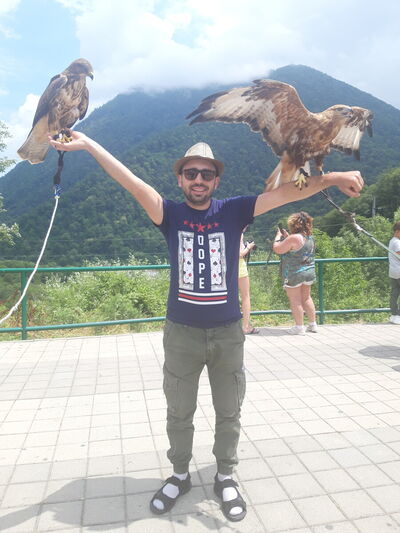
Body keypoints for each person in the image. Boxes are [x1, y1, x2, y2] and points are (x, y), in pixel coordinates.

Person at [49, 131, 363, 522]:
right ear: (180, 179)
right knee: (178, 411)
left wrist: (332, 178)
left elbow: (288, 194)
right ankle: (179, 474)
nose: (198, 179)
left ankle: (225, 475)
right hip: (181, 334)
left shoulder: (235, 211)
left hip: (228, 333)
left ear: (216, 180)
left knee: (229, 409)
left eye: (206, 174)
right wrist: (89, 145)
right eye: (191, 173)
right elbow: (130, 181)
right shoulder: (168, 213)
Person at [273, 211, 318, 335]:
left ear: (293, 224)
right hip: (309, 271)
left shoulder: (294, 238)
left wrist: (278, 237)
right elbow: (296, 247)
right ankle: (313, 324)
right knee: (307, 298)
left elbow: (277, 249)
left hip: (295, 273)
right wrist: (288, 238)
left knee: (295, 300)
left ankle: (299, 327)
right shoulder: (310, 237)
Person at [239, 231, 259, 334]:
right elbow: (240, 254)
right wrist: (248, 247)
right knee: (245, 296)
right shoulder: (239, 233)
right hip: (239, 267)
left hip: (227, 266)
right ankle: (245, 326)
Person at [388, 221, 400, 324]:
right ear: (397, 231)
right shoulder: (397, 242)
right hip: (399, 271)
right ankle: (398, 315)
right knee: (395, 294)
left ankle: (394, 315)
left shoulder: (392, 241)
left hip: (393, 271)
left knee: (394, 294)